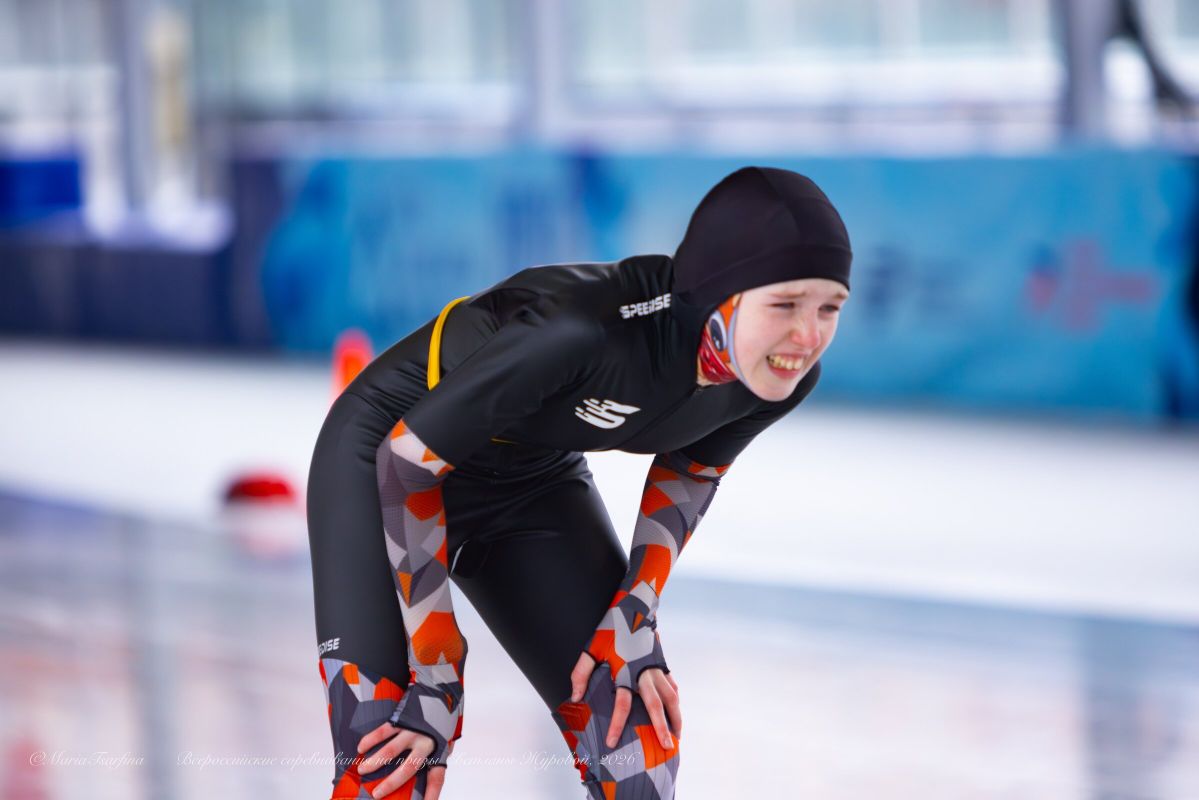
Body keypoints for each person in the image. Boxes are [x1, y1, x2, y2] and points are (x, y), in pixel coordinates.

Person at [306, 165, 853, 800]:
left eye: (830, 307)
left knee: (636, 749)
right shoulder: (585, 330)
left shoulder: (776, 378)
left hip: (529, 479)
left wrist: (635, 609)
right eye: (785, 305)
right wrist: (436, 667)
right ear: (718, 294)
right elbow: (407, 464)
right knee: (386, 767)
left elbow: (691, 470)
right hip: (385, 463)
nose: (808, 337)